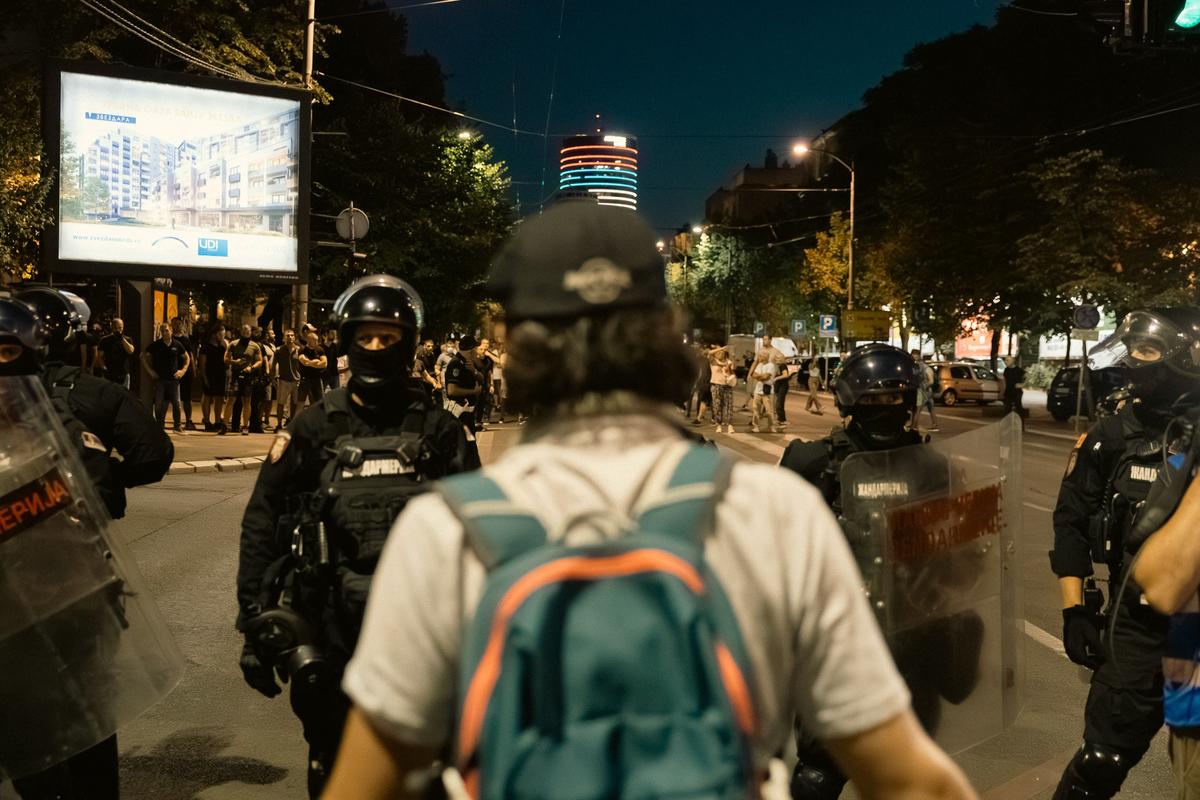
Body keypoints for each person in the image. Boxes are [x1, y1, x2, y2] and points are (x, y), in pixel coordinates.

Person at [321, 202, 976, 800]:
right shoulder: (774, 512)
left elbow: (366, 783)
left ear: (515, 345)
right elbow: (910, 780)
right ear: (666, 332)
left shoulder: (445, 529)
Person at [235, 274, 469, 799]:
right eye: (365, 337)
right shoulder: (314, 425)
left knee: (428, 769)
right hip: (330, 626)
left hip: (424, 629)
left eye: (387, 338)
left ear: (407, 343)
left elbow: (478, 530)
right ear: (346, 340)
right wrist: (254, 621)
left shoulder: (440, 429)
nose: (375, 348)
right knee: (333, 762)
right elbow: (262, 521)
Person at [779, 344, 978, 799]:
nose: (885, 410)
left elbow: (964, 554)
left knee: (907, 773)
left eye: (895, 399)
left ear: (910, 403)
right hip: (836, 642)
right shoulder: (813, 463)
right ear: (851, 402)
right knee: (818, 772)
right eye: (873, 400)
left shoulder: (934, 467)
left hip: (914, 640)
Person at [8, 288, 174, 800]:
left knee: (19, 711)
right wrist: (104, 482)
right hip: (79, 574)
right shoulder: (94, 394)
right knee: (91, 709)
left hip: (10, 591)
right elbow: (153, 452)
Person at [1049, 308, 1200, 800]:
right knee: (1100, 762)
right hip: (1136, 627)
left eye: (1148, 352)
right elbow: (1070, 520)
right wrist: (1075, 609)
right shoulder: (1110, 435)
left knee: (1191, 768)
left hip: (1192, 637)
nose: (1135, 363)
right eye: (1132, 351)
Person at [443, 335, 483, 468]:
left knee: (469, 447)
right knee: (466, 448)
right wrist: (474, 392)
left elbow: (481, 379)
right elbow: (452, 390)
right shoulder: (455, 364)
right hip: (460, 413)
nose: (477, 352)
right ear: (471, 350)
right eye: (475, 349)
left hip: (468, 413)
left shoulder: (467, 364)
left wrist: (474, 372)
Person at [142, 322, 190, 432]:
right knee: (159, 403)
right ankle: (159, 426)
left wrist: (182, 371)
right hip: (160, 379)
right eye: (162, 331)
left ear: (171, 331)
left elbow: (187, 358)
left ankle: (177, 426)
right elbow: (143, 356)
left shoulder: (177, 344)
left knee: (176, 403)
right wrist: (150, 371)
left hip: (174, 379)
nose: (164, 333)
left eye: (166, 330)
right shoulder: (156, 345)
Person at [222, 324, 262, 436]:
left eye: (248, 332)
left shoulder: (255, 346)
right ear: (241, 333)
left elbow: (259, 361)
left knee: (247, 401)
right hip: (235, 375)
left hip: (248, 376)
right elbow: (225, 358)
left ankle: (245, 426)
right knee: (231, 400)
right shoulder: (233, 344)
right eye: (244, 332)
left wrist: (252, 367)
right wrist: (235, 362)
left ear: (250, 333)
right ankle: (224, 425)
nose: (246, 334)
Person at [199, 323, 228, 432]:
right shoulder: (206, 346)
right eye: (221, 334)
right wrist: (204, 377)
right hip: (209, 373)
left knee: (219, 398)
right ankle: (206, 421)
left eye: (224, 334)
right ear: (214, 334)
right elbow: (202, 363)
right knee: (207, 396)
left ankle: (217, 421)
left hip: (220, 374)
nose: (223, 336)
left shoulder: (223, 345)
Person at [170, 317, 197, 430]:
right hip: (173, 371)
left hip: (186, 371)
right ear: (171, 325)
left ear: (182, 325)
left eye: (179, 324)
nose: (177, 326)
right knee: (173, 398)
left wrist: (193, 369)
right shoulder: (169, 338)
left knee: (187, 398)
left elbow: (190, 355)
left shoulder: (186, 340)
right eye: (175, 324)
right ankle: (176, 421)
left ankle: (188, 420)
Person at [93, 317, 135, 389]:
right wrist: (103, 367)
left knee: (124, 395)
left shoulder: (127, 339)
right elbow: (100, 356)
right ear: (111, 327)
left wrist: (122, 338)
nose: (118, 330)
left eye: (120, 327)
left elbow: (131, 351)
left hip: (123, 373)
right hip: (109, 372)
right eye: (116, 328)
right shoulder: (104, 340)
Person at [273, 329, 301, 431]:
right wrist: (273, 378)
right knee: (281, 403)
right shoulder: (279, 350)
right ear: (284, 337)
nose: (290, 337)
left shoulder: (299, 350)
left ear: (295, 337)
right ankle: (279, 424)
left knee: (295, 403)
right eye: (287, 335)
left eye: (292, 335)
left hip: (296, 381)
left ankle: (291, 423)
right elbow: (273, 365)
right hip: (284, 380)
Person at [749, 351, 780, 433]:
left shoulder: (771, 365)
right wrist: (760, 377)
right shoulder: (759, 365)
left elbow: (766, 377)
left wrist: (759, 377)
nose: (759, 358)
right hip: (758, 390)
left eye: (760, 356)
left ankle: (771, 426)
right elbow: (753, 375)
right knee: (756, 409)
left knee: (769, 410)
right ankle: (756, 426)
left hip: (767, 391)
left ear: (765, 357)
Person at [297, 329, 327, 411]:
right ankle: (298, 422)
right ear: (309, 340)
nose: (317, 343)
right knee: (300, 403)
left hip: (317, 379)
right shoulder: (302, 350)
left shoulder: (320, 349)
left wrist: (310, 363)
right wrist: (316, 362)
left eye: (317, 341)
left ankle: (318, 422)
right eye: (315, 341)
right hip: (305, 380)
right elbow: (304, 362)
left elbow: (324, 363)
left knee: (320, 403)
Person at [709, 345, 736, 434]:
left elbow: (733, 369)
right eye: (719, 352)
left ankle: (730, 425)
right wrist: (721, 348)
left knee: (729, 405)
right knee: (717, 406)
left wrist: (733, 359)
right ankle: (719, 425)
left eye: (722, 353)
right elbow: (709, 353)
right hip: (716, 385)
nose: (720, 354)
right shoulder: (713, 361)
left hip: (727, 385)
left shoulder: (728, 361)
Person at [911, 349, 939, 432]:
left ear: (919, 356)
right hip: (927, 391)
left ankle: (914, 426)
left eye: (915, 357)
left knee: (917, 409)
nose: (914, 359)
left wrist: (923, 387)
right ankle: (935, 425)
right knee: (931, 409)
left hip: (922, 391)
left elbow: (931, 381)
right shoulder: (921, 366)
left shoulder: (923, 367)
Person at [322, 328, 341, 393]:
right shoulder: (321, 347)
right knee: (320, 395)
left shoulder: (336, 346)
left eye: (335, 333)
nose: (334, 335)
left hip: (334, 374)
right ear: (326, 334)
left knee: (337, 394)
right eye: (332, 333)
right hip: (323, 374)